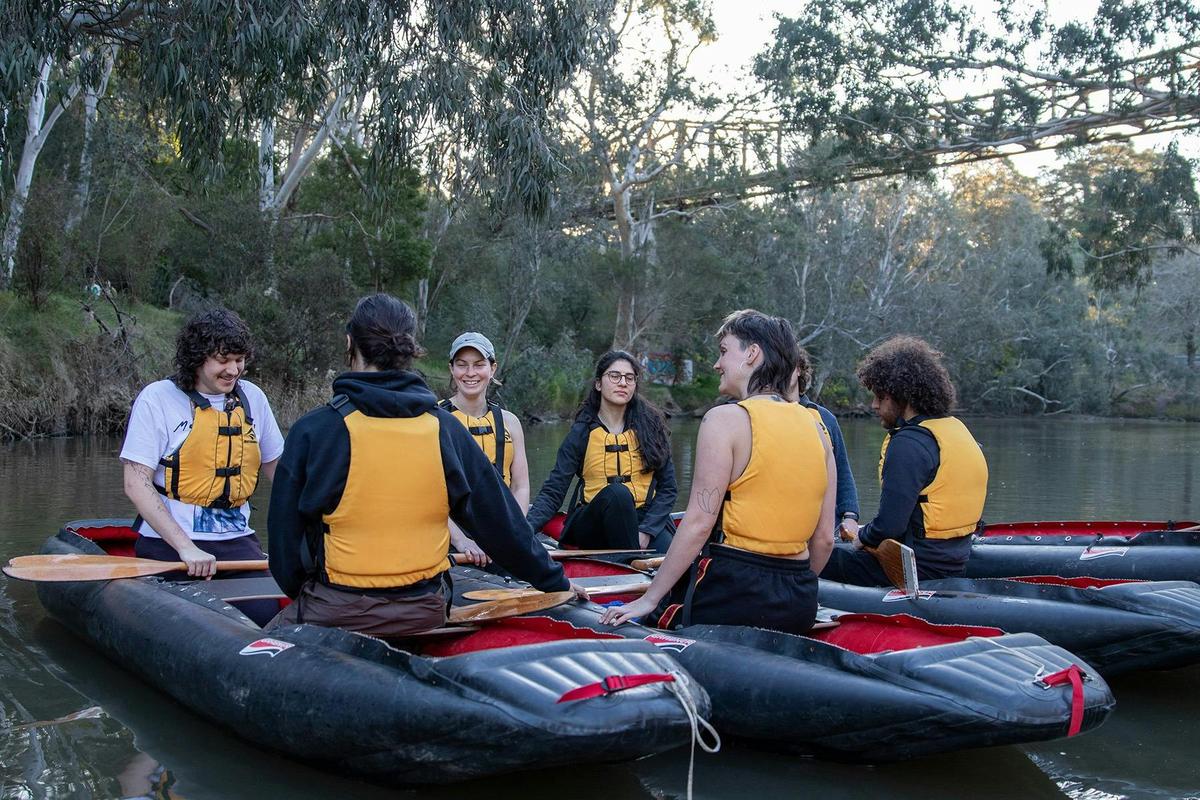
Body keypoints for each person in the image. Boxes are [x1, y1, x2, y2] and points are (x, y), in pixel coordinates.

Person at [266, 294, 571, 636]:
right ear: (409, 350)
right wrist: (558, 583)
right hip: (423, 609)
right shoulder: (445, 428)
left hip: (337, 610)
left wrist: (314, 595)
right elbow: (504, 526)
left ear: (350, 342)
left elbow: (283, 550)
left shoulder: (314, 430)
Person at [601, 310, 836, 634]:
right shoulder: (819, 428)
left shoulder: (724, 420)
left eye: (724, 351)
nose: (717, 363)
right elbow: (824, 539)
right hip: (799, 599)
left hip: (736, 592)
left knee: (652, 614)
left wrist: (649, 599)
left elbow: (698, 522)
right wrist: (795, 591)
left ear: (752, 354)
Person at [120, 308, 284, 578]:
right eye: (223, 360)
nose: (233, 370)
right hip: (169, 546)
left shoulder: (253, 398)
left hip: (238, 543)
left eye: (240, 360)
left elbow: (281, 472)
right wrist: (186, 547)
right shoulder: (157, 398)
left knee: (267, 615)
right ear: (197, 358)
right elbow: (135, 483)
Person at [821, 335, 988, 586]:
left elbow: (889, 526)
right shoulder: (955, 429)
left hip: (915, 569)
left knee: (815, 555)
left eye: (881, 396)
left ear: (903, 396)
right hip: (954, 560)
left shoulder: (908, 443)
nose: (874, 404)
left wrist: (860, 537)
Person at [527, 351, 677, 553]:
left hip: (643, 521)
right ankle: (632, 559)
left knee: (677, 558)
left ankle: (629, 557)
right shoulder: (581, 432)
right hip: (594, 523)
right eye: (614, 376)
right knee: (618, 494)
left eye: (629, 378)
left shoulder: (651, 429)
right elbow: (554, 490)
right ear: (598, 384)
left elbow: (668, 489)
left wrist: (648, 530)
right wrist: (523, 531)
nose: (622, 383)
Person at [438, 332, 531, 567]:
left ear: (492, 368)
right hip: (453, 533)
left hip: (502, 529)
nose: (470, 373)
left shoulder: (510, 422)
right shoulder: (434, 418)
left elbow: (521, 486)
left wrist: (515, 530)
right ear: (452, 369)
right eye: (462, 365)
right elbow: (427, 495)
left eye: (479, 365)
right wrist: (461, 541)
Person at [789, 344, 861, 539]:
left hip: (826, 527)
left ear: (798, 370)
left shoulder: (825, 418)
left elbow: (843, 471)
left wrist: (851, 516)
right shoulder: (759, 416)